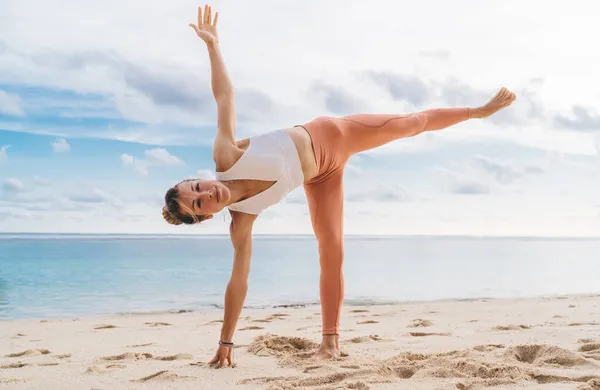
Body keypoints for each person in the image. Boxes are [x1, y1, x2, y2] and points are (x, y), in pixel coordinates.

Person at [162, 4, 516, 368]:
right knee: (331, 248)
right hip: (321, 178)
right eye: (200, 204)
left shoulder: (226, 154)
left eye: (197, 187)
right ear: (206, 218)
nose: (207, 193)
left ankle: (478, 111)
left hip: (335, 135)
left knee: (412, 123)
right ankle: (330, 343)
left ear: (199, 177)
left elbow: (225, 96)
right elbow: (238, 282)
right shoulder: (243, 221)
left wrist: (212, 46)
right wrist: (226, 342)